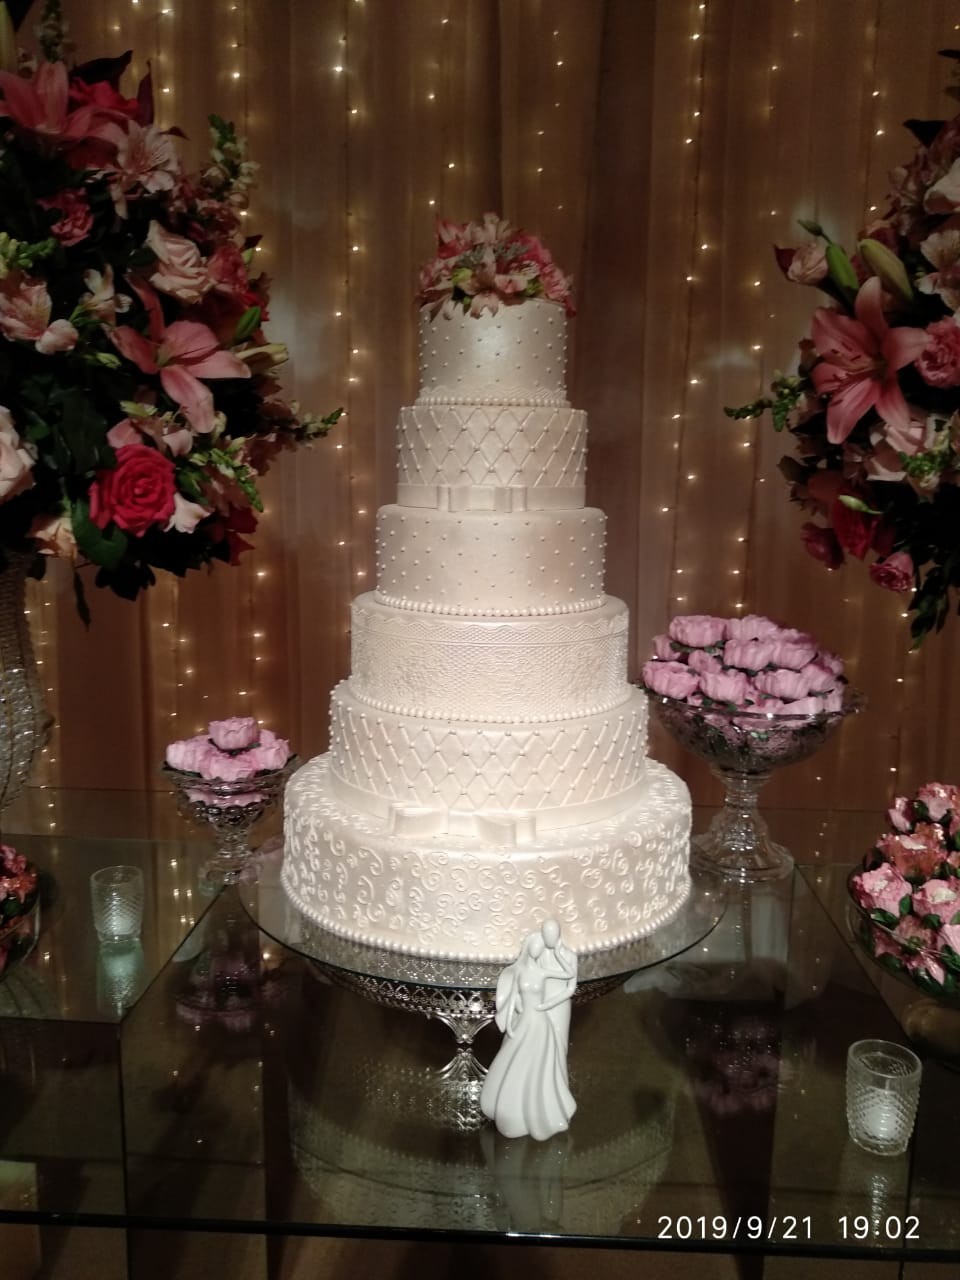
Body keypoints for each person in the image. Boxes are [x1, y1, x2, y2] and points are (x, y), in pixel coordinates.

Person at [480, 923, 577, 1141]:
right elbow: (513, 998)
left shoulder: (543, 972)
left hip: (540, 1019)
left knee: (542, 1062)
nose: (538, 949)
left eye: (540, 945)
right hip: (525, 1020)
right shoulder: (521, 971)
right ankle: (509, 1108)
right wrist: (510, 1022)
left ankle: (544, 1111)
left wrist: (558, 955)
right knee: (515, 1058)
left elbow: (569, 975)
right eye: (535, 945)